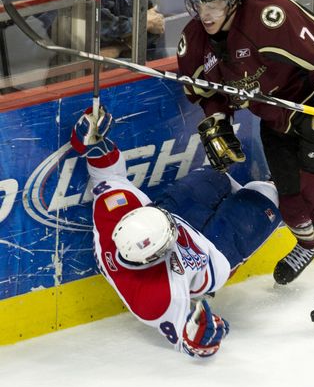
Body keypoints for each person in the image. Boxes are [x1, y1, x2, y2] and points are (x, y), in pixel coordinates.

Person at [177, 0, 314, 332]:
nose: (206, 12)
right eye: (199, 3)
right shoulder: (194, 40)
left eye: (214, 3)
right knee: (292, 202)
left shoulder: (270, 16)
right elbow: (208, 93)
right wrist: (216, 121)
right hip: (276, 118)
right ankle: (309, 243)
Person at [70, 107, 282, 357]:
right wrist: (205, 336)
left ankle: (224, 200)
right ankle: (288, 216)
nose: (175, 236)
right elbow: (189, 342)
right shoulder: (153, 298)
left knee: (216, 176)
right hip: (212, 258)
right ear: (154, 257)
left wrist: (93, 143)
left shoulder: (113, 214)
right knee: (270, 195)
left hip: (176, 212)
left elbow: (106, 173)